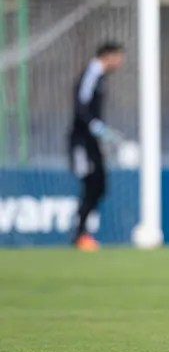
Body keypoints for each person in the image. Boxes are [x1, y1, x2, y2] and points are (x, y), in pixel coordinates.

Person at [67, 41, 126, 251]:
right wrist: (95, 126)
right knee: (91, 184)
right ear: (107, 56)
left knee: (99, 186)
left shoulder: (100, 77)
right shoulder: (91, 74)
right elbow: (80, 105)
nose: (120, 62)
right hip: (82, 141)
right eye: (118, 57)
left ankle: (82, 234)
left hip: (92, 141)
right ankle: (80, 235)